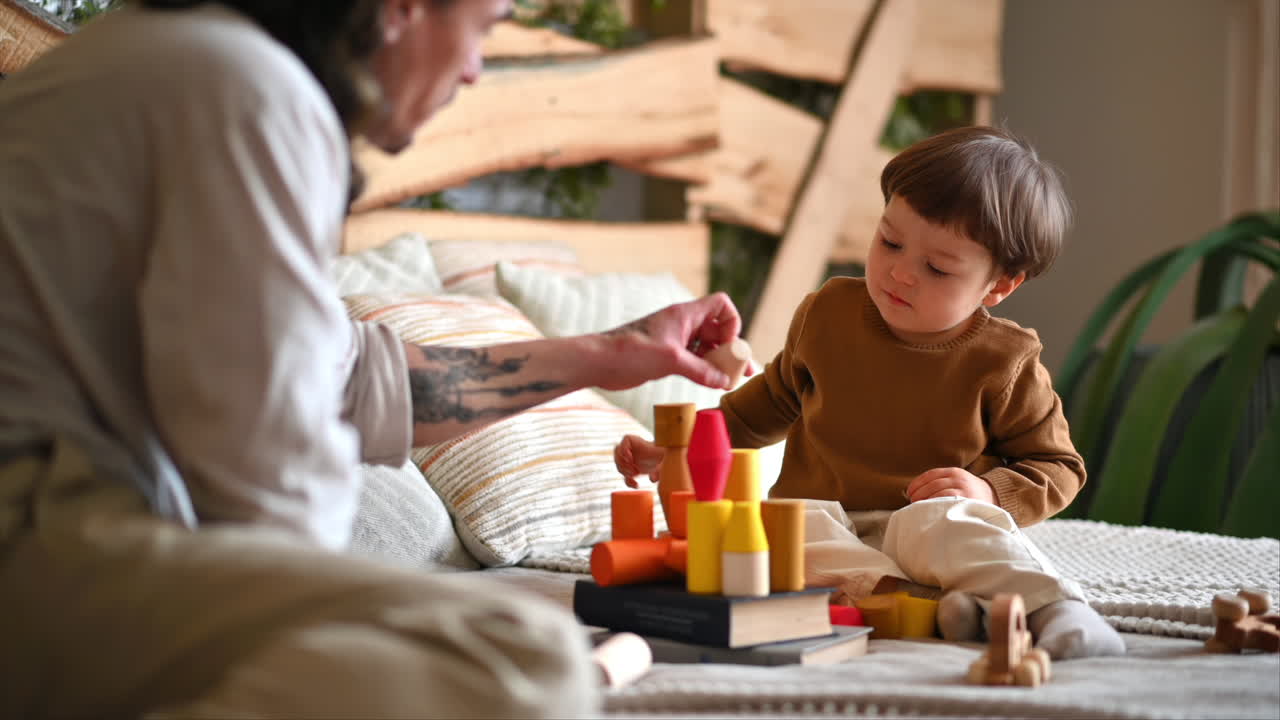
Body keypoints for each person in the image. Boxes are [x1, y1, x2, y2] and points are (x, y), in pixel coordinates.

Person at [0, 0, 746, 717]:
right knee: (525, 658)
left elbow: (348, 378)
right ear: (401, 8)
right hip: (35, 549)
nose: (476, 70)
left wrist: (614, 354)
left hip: (57, 548)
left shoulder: (194, 59)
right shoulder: (248, 90)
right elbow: (272, 488)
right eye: (483, 29)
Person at [615, 125, 1127, 660]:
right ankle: (932, 606)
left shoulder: (1004, 359)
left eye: (937, 267)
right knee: (772, 530)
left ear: (998, 287)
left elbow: (1058, 467)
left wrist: (989, 493)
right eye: (889, 241)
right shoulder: (827, 315)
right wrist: (676, 453)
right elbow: (756, 410)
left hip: (925, 520)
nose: (901, 272)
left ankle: (1056, 609)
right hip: (823, 519)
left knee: (949, 526)